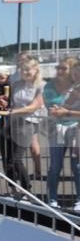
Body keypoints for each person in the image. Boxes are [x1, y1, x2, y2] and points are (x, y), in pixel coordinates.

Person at [0, 57, 45, 194]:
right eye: (23, 70)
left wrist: (12, 111)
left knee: (16, 159)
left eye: (28, 69)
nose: (25, 72)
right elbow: (11, 103)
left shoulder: (42, 86)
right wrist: (4, 104)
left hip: (28, 123)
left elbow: (33, 107)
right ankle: (13, 189)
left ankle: (26, 189)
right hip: (10, 122)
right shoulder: (16, 84)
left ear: (36, 70)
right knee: (6, 158)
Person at [44, 58, 79, 208]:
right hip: (57, 128)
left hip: (76, 128)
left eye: (64, 68)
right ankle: (52, 198)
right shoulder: (50, 86)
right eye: (58, 67)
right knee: (55, 165)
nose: (59, 70)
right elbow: (52, 107)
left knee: (77, 166)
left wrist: (66, 111)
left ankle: (79, 199)